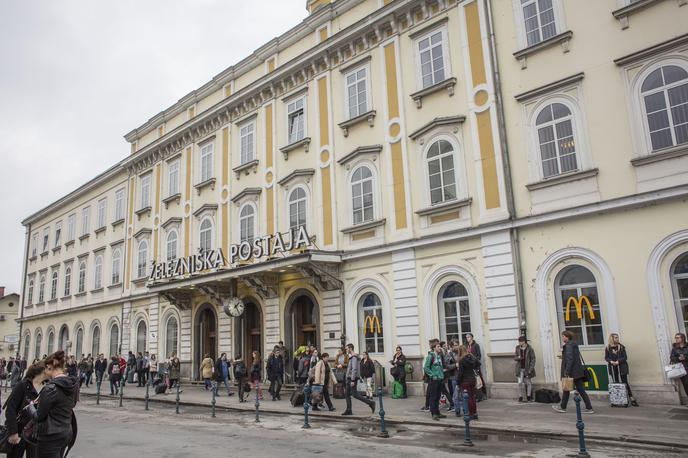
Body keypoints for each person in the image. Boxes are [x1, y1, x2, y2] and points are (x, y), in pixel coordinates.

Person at [33, 350, 78, 457]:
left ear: (50, 366)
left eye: (45, 368)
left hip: (50, 435)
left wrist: (30, 408)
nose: (44, 371)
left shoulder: (50, 388)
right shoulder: (72, 385)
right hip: (66, 432)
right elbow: (72, 405)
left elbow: (39, 416)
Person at [5, 361, 46, 458]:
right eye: (48, 369)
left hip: (35, 434)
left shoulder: (47, 388)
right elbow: (10, 408)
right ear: (42, 372)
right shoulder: (23, 385)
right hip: (19, 431)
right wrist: (13, 432)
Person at [552, 330, 594, 414]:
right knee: (579, 390)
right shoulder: (573, 344)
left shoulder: (568, 345)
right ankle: (589, 408)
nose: (562, 338)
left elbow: (570, 359)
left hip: (572, 372)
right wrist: (563, 357)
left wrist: (567, 372)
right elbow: (572, 357)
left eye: (563, 336)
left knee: (567, 389)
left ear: (567, 337)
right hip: (577, 371)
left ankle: (563, 407)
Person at [605, 333, 638, 407]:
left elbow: (625, 357)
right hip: (613, 368)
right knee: (616, 383)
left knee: (625, 383)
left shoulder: (621, 347)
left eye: (617, 337)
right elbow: (606, 357)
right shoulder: (608, 347)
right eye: (615, 338)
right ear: (612, 339)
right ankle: (617, 400)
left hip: (621, 367)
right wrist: (611, 361)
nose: (617, 339)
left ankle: (631, 398)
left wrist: (618, 361)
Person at [341, 343, 375, 416]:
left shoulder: (354, 357)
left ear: (350, 349)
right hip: (349, 378)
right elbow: (350, 368)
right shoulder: (352, 357)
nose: (346, 350)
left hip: (351, 379)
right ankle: (348, 410)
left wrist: (352, 380)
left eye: (347, 349)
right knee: (347, 394)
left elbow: (354, 369)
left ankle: (370, 403)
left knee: (354, 394)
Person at [457, 344, 480, 420]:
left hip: (465, 380)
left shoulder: (461, 360)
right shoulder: (471, 356)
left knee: (468, 398)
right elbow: (478, 363)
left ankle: (470, 414)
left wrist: (457, 382)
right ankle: (475, 413)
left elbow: (460, 373)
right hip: (472, 379)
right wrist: (474, 369)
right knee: (472, 397)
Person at [424, 340, 445, 421]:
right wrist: (432, 375)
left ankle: (438, 412)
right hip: (434, 380)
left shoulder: (439, 356)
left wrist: (442, 374)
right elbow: (426, 368)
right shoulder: (430, 356)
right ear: (434, 348)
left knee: (438, 397)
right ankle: (434, 414)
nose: (440, 348)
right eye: (438, 346)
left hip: (440, 379)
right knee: (433, 397)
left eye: (439, 346)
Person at [515, 336, 536, 403]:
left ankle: (529, 396)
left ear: (524, 341)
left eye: (520, 341)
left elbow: (533, 359)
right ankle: (520, 396)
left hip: (527, 369)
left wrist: (530, 369)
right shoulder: (517, 348)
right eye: (519, 341)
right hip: (519, 368)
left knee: (528, 383)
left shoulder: (530, 349)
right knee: (519, 383)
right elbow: (515, 357)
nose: (519, 343)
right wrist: (518, 358)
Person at [465, 333, 486, 400]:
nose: (467, 338)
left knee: (479, 380)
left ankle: (482, 395)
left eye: (468, 337)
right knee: (472, 381)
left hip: (475, 366)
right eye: (466, 337)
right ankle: (475, 395)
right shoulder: (467, 346)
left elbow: (479, 356)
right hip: (469, 366)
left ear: (472, 337)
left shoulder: (476, 345)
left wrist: (474, 360)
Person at [670, 333, 688, 400]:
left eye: (678, 337)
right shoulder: (675, 349)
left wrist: (685, 357)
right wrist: (678, 358)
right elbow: (672, 358)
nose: (676, 339)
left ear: (682, 338)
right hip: (681, 369)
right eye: (675, 338)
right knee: (686, 385)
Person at [447, 340, 461, 416]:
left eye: (457, 345)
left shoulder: (461, 353)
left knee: (463, 395)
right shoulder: (449, 355)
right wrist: (455, 365)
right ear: (452, 346)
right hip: (454, 377)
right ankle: (457, 410)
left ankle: (465, 410)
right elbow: (447, 366)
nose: (457, 346)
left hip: (462, 376)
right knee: (456, 395)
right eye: (455, 345)